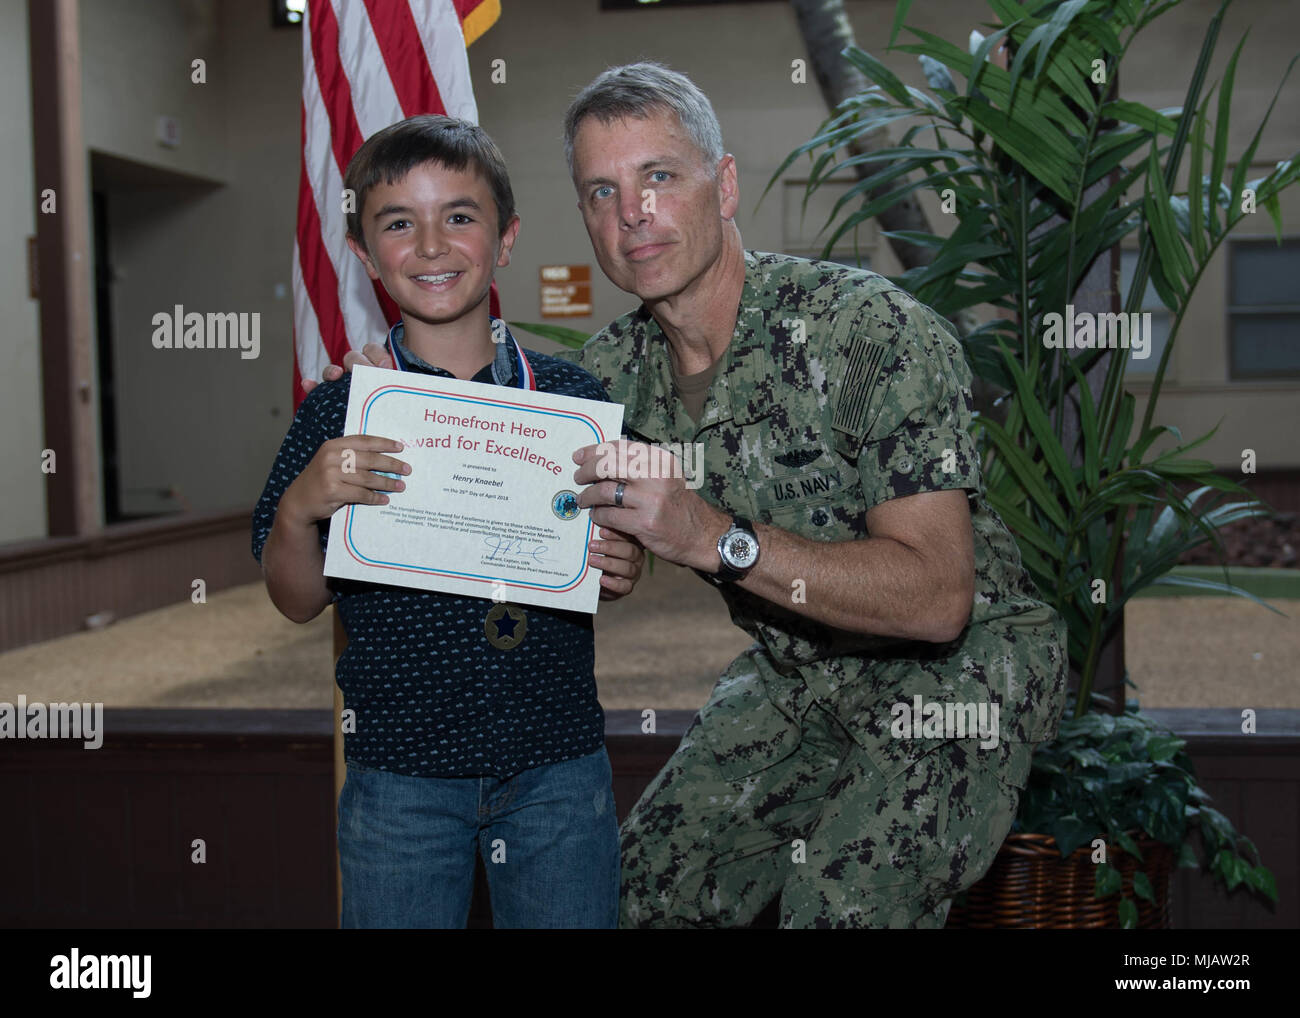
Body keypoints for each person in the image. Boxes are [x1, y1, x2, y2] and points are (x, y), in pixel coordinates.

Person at [316, 64, 1068, 929]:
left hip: (960, 670)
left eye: (659, 176)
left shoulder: (869, 330)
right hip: (795, 673)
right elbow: (480, 450)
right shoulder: (599, 384)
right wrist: (386, 397)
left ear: (727, 185)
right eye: (602, 191)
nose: (631, 212)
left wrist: (710, 535)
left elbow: (939, 599)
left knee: (846, 903)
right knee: (630, 898)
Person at [254, 114, 643, 929]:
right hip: (399, 778)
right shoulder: (338, 411)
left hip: (558, 768)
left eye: (460, 216)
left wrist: (621, 562)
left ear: (505, 240)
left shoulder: (574, 402)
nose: (431, 245)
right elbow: (296, 600)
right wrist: (299, 510)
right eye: (399, 223)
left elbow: (616, 551)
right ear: (364, 254)